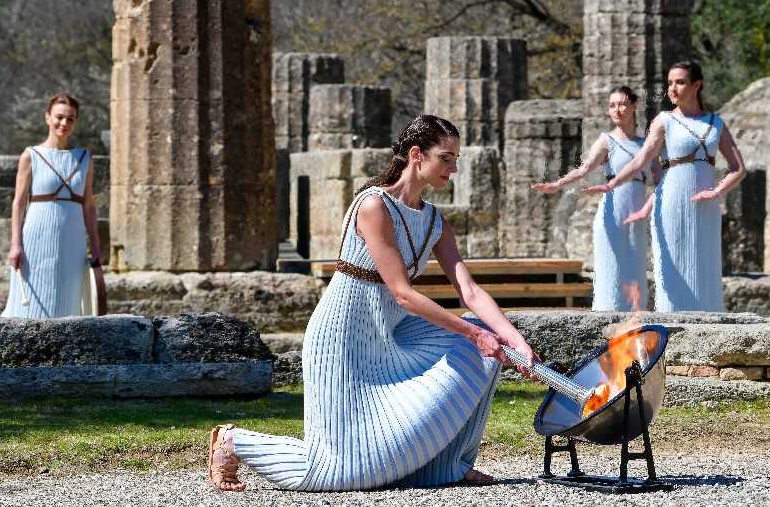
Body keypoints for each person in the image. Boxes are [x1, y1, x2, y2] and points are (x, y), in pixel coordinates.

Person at [208, 115, 536, 492]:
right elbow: (402, 293)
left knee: (483, 349)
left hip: (393, 336)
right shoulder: (373, 206)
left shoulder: (435, 222)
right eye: (446, 158)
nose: (455, 168)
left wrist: (514, 339)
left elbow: (470, 291)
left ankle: (449, 467)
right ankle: (234, 442)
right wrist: (477, 334)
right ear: (417, 155)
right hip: (343, 339)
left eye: (455, 159)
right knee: (337, 469)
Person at [584, 62, 746, 312]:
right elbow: (641, 160)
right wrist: (613, 183)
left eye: (679, 82)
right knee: (672, 272)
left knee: (706, 266)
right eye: (670, 83)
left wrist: (717, 192)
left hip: (705, 205)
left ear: (696, 85)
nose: (672, 88)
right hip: (671, 201)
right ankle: (670, 331)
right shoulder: (664, 120)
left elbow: (738, 167)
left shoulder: (715, 123)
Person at [533, 87, 660, 311]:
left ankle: (636, 321)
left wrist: (649, 208)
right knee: (611, 268)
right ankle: (606, 318)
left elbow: (660, 181)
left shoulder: (646, 144)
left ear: (634, 106)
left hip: (637, 212)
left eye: (621, 104)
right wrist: (557, 184)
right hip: (612, 210)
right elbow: (584, 170)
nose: (617, 110)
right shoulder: (606, 141)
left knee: (635, 268)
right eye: (612, 106)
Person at [1, 93, 101, 318]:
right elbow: (18, 203)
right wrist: (15, 245)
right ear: (47, 118)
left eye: (71, 119)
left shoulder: (84, 158)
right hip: (36, 238)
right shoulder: (31, 155)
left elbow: (89, 206)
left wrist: (95, 245)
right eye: (59, 117)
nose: (64, 123)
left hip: (72, 240)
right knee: (29, 307)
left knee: (68, 301)